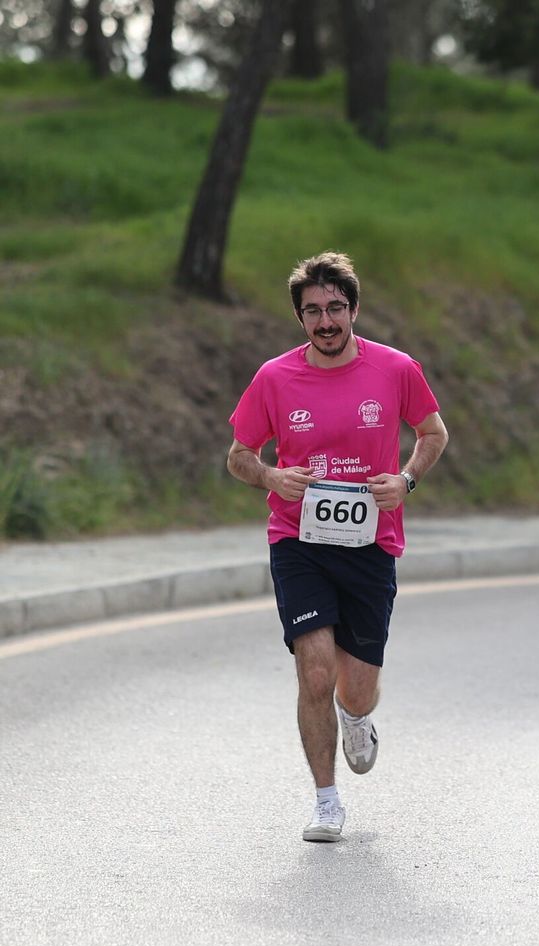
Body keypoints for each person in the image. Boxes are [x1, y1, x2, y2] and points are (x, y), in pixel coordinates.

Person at [227, 251, 449, 843]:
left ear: (353, 309)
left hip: (370, 541)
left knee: (356, 686)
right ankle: (326, 802)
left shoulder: (396, 368)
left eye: (335, 308)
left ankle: (356, 719)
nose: (325, 321)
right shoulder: (274, 377)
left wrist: (406, 480)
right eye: (312, 312)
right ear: (300, 318)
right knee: (315, 671)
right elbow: (239, 455)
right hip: (298, 540)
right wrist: (271, 477)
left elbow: (433, 433)